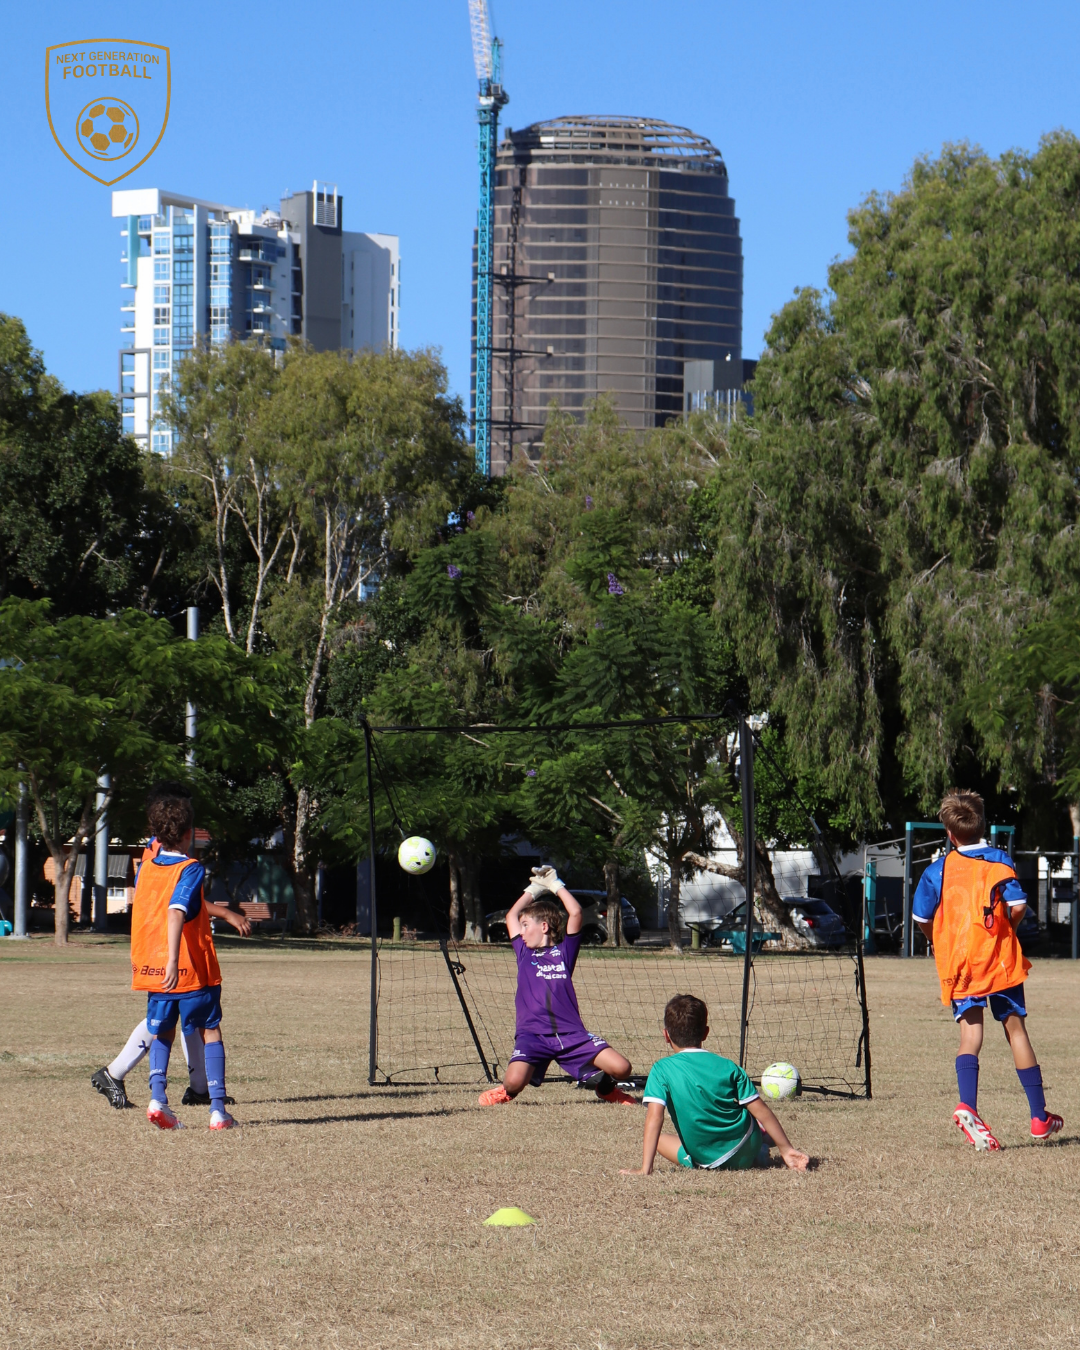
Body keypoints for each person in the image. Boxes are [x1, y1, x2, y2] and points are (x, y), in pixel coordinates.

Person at [914, 788, 1063, 1151]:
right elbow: (1018, 905)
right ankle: (1039, 1117)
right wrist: (1004, 932)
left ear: (950, 834)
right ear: (983, 825)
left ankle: (969, 1106)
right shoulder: (999, 860)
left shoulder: (938, 871)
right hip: (999, 963)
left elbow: (922, 919)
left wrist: (942, 940)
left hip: (961, 965)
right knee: (1016, 1032)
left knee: (970, 1037)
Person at [91, 784, 250, 1111]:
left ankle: (198, 1088)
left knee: (178, 1016)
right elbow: (175, 905)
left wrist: (225, 913)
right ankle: (115, 1072)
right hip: (168, 949)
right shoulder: (160, 856)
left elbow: (184, 901)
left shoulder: (158, 853)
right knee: (169, 1018)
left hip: (157, 947)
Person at [478, 867, 637, 1107]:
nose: (520, 932)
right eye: (520, 927)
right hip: (533, 1036)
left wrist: (555, 885)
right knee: (512, 1083)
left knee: (622, 1068)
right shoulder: (523, 953)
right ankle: (506, 1091)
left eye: (525, 926)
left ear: (543, 927)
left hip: (572, 1035)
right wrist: (534, 889)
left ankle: (606, 1090)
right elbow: (512, 915)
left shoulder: (563, 952)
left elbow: (574, 913)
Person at [128, 787, 237, 1130]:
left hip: (152, 966)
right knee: (211, 1030)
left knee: (163, 1031)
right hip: (188, 968)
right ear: (189, 834)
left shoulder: (145, 868)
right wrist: (175, 960)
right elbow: (176, 912)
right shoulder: (190, 868)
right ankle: (218, 1110)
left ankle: (158, 1100)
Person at [621, 994, 809, 1175]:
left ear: (666, 1035)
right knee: (755, 1119)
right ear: (706, 1032)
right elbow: (761, 1110)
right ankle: (760, 1142)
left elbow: (655, 1117)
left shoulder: (661, 1069)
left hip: (707, 1159)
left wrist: (645, 1170)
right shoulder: (729, 1066)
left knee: (660, 1140)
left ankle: (755, 1146)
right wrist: (787, 1150)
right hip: (746, 1145)